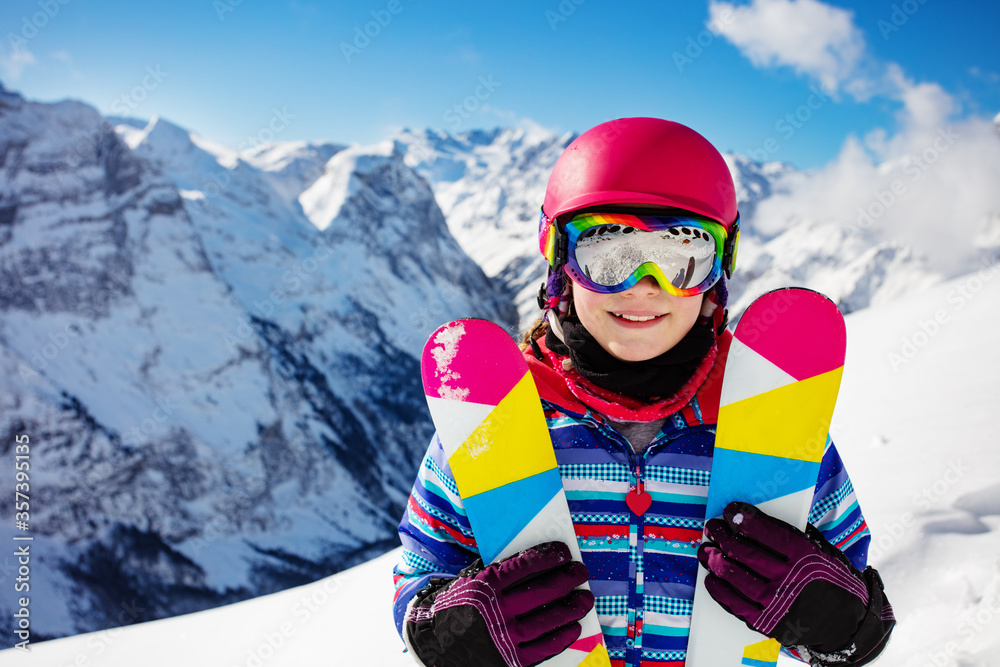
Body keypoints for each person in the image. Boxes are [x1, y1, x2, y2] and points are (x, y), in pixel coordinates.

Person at [392, 117, 895, 667]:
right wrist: (451, 632)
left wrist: (842, 622)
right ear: (560, 262)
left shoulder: (771, 418)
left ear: (717, 274)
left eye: (683, 256)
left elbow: (844, 577)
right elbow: (423, 571)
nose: (645, 284)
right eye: (610, 254)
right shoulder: (494, 422)